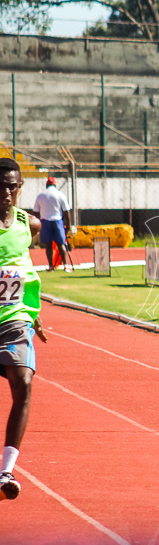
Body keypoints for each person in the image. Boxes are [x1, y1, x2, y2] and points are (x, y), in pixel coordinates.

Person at [0, 158, 47, 500]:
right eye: (1, 186)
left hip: (16, 318)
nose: (6, 192)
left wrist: (36, 312)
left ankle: (6, 471)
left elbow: (25, 267)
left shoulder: (28, 224)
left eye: (12, 186)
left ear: (20, 188)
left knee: (24, 382)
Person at [33, 176, 74, 273]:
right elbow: (66, 211)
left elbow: (35, 211)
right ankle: (66, 265)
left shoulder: (41, 196)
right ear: (55, 184)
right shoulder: (60, 194)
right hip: (57, 220)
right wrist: (68, 225)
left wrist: (38, 223)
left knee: (48, 245)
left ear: (47, 185)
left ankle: (51, 266)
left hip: (44, 221)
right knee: (61, 244)